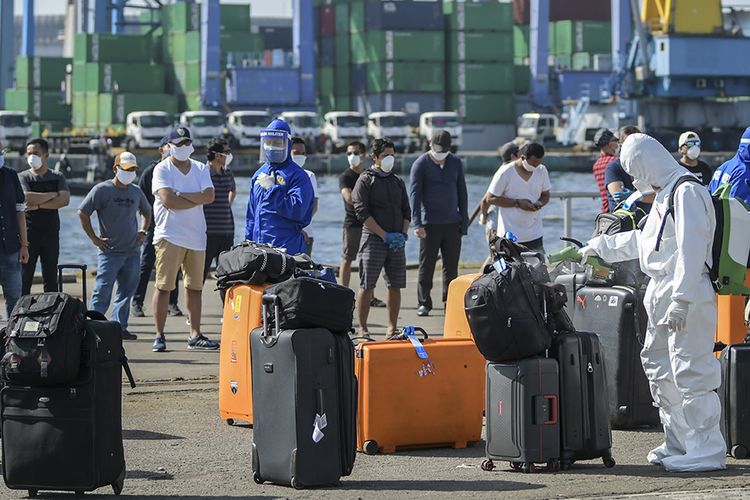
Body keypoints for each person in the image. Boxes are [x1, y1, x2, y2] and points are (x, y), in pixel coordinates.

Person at [581, 133, 725, 472]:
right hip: (661, 291)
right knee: (659, 367)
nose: (632, 179)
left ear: (647, 163)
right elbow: (646, 243)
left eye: (634, 170)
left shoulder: (687, 192)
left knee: (692, 370)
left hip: (684, 292)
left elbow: (692, 250)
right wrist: (600, 246)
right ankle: (679, 440)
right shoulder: (664, 196)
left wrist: (682, 299)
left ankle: (707, 448)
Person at [151, 126, 218, 352]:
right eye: (178, 144)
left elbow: (209, 197)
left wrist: (181, 194)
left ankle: (195, 334)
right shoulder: (162, 169)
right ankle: (159, 335)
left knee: (195, 288)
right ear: (168, 146)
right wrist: (193, 198)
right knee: (164, 287)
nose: (183, 147)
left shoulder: (200, 168)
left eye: (186, 143)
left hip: (196, 237)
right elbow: (168, 200)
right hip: (169, 236)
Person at [78, 152, 151, 340]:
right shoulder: (102, 190)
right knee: (102, 290)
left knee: (126, 293)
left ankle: (119, 327)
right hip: (109, 252)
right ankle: (95, 327)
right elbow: (83, 212)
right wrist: (94, 238)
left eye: (133, 170)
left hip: (132, 252)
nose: (130, 173)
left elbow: (147, 212)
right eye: (126, 169)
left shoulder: (135, 191)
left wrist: (143, 231)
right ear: (115, 169)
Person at [351, 138, 410, 338]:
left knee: (395, 285)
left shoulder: (397, 181)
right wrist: (383, 234)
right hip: (373, 239)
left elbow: (406, 211)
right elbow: (361, 211)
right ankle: (363, 327)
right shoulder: (366, 180)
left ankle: (392, 327)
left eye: (392, 155)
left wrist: (402, 234)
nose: (390, 159)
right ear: (374, 157)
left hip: (396, 241)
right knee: (367, 284)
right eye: (385, 156)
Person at [409, 130, 468, 317]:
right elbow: (415, 195)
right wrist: (417, 223)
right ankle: (424, 302)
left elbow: (462, 192)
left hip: (452, 223)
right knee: (426, 265)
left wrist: (463, 221)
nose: (440, 153)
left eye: (444, 150)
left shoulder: (455, 162)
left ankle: (449, 300)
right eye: (437, 149)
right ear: (429, 144)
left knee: (451, 266)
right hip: (429, 224)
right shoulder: (420, 164)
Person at [245, 119, 314, 255]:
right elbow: (251, 215)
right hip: (259, 247)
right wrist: (248, 243)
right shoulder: (259, 174)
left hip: (287, 247)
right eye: (268, 142)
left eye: (277, 143)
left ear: (287, 144)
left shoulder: (297, 176)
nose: (271, 146)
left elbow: (298, 211)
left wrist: (272, 190)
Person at [131, 136, 183, 318]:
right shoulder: (150, 171)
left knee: (174, 267)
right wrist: (144, 227)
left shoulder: (178, 170)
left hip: (174, 226)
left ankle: (172, 303)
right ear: (162, 149)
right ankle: (137, 302)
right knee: (146, 265)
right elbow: (141, 199)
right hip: (155, 226)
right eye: (169, 147)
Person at [19, 138, 70, 295]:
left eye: (36, 153)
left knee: (50, 278)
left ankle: (51, 314)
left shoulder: (57, 176)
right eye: (29, 153)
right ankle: (21, 313)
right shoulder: (23, 177)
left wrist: (39, 205)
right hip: (28, 233)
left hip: (50, 233)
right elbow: (26, 197)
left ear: (46, 155)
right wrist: (52, 194)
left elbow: (64, 200)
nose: (31, 157)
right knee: (24, 277)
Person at [339, 141, 386, 307]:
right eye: (349, 153)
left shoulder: (369, 174)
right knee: (347, 258)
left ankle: (370, 296)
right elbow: (349, 198)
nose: (352, 156)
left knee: (368, 261)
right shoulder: (346, 176)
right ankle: (342, 295)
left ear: (364, 155)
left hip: (369, 224)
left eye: (356, 153)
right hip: (353, 224)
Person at [484, 142, 550, 254]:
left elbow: (546, 195)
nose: (535, 167)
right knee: (511, 270)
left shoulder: (542, 170)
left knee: (538, 269)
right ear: (523, 157)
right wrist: (517, 203)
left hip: (535, 234)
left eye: (539, 163)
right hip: (509, 234)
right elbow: (490, 199)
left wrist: (539, 203)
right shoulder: (505, 172)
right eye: (533, 164)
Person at [480, 142, 520, 268]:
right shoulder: (506, 172)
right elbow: (486, 200)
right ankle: (479, 283)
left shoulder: (506, 171)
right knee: (498, 262)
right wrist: (484, 216)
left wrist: (484, 216)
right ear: (514, 156)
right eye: (520, 155)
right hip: (497, 224)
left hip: (496, 223)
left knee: (497, 259)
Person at [0, 149, 29, 318]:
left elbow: (20, 212)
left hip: (11, 247)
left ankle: (11, 340)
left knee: (14, 299)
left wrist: (24, 245)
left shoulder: (11, 175)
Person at [203, 137, 236, 281]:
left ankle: (226, 304)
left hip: (227, 232)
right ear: (217, 155)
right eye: (226, 151)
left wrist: (227, 204)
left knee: (227, 276)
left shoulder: (228, 173)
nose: (229, 155)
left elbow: (233, 189)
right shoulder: (202, 173)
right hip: (207, 233)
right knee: (200, 275)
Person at [604, 125, 655, 211]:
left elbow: (657, 195)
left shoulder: (648, 167)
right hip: (623, 221)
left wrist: (635, 196)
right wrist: (641, 196)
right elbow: (618, 196)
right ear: (621, 145)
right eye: (629, 144)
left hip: (647, 220)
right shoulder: (613, 168)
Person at [708, 126, 750, 205]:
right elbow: (741, 209)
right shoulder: (744, 172)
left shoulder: (724, 166)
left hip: (713, 215)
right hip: (729, 216)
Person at [290, 137, 318, 256]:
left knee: (304, 271)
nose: (300, 156)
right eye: (296, 153)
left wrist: (300, 227)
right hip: (286, 234)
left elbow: (314, 206)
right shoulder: (281, 176)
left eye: (303, 153)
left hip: (306, 233)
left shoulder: (310, 175)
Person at [592, 128, 619, 213]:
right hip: (616, 210)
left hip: (604, 211)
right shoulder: (615, 162)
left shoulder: (596, 164)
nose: (617, 144)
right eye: (615, 140)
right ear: (610, 144)